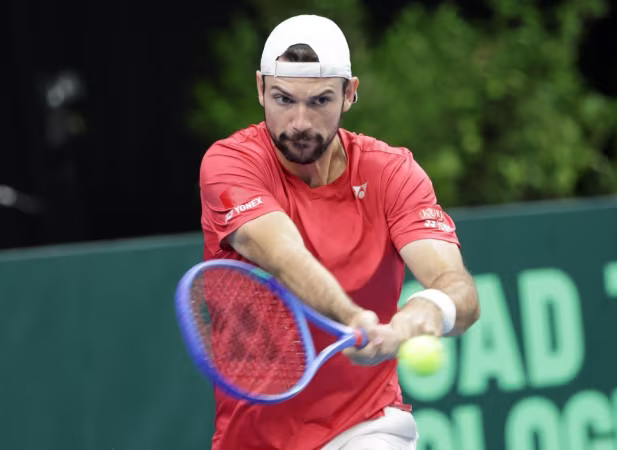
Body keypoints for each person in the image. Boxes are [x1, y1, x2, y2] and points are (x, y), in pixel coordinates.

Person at [198, 14, 480, 450]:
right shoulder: (230, 164)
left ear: (349, 93)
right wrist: (352, 317)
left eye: (320, 101)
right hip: (250, 437)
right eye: (283, 99)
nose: (300, 122)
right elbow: (284, 256)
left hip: (365, 426)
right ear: (260, 89)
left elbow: (457, 288)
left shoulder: (392, 173)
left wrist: (419, 315)